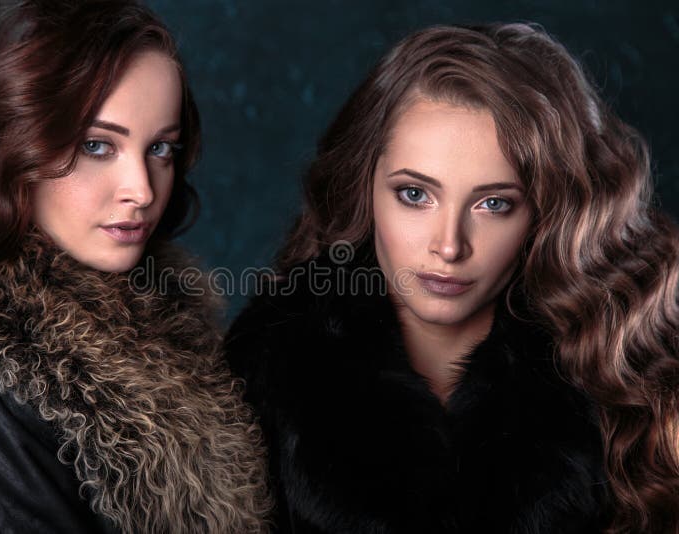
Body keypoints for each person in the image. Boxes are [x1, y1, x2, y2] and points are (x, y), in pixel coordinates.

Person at [225, 22, 679, 533]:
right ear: (365, 187)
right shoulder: (257, 374)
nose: (448, 245)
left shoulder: (623, 376)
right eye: (415, 195)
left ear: (546, 213)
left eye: (493, 204)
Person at [0, 1, 273, 532]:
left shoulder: (166, 327)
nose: (141, 189)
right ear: (11, 144)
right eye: (96, 145)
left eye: (160, 148)